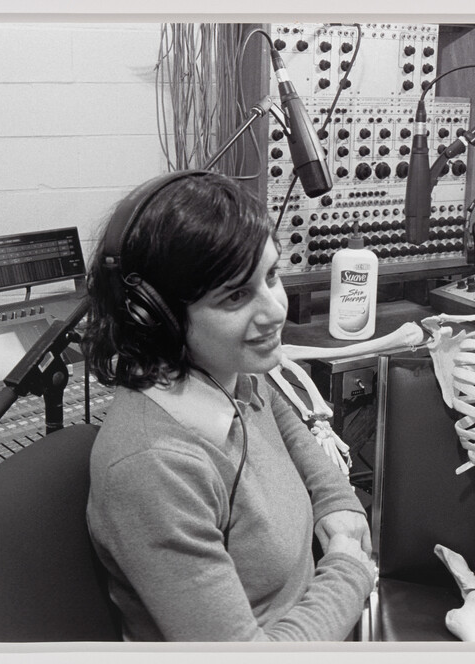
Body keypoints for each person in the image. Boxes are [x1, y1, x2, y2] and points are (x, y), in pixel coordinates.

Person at [82, 171, 376, 641]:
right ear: (158, 318)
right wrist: (347, 570)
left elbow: (280, 417)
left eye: (272, 276)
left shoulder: (229, 371)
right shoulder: (154, 471)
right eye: (237, 295)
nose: (275, 309)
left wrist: (333, 500)